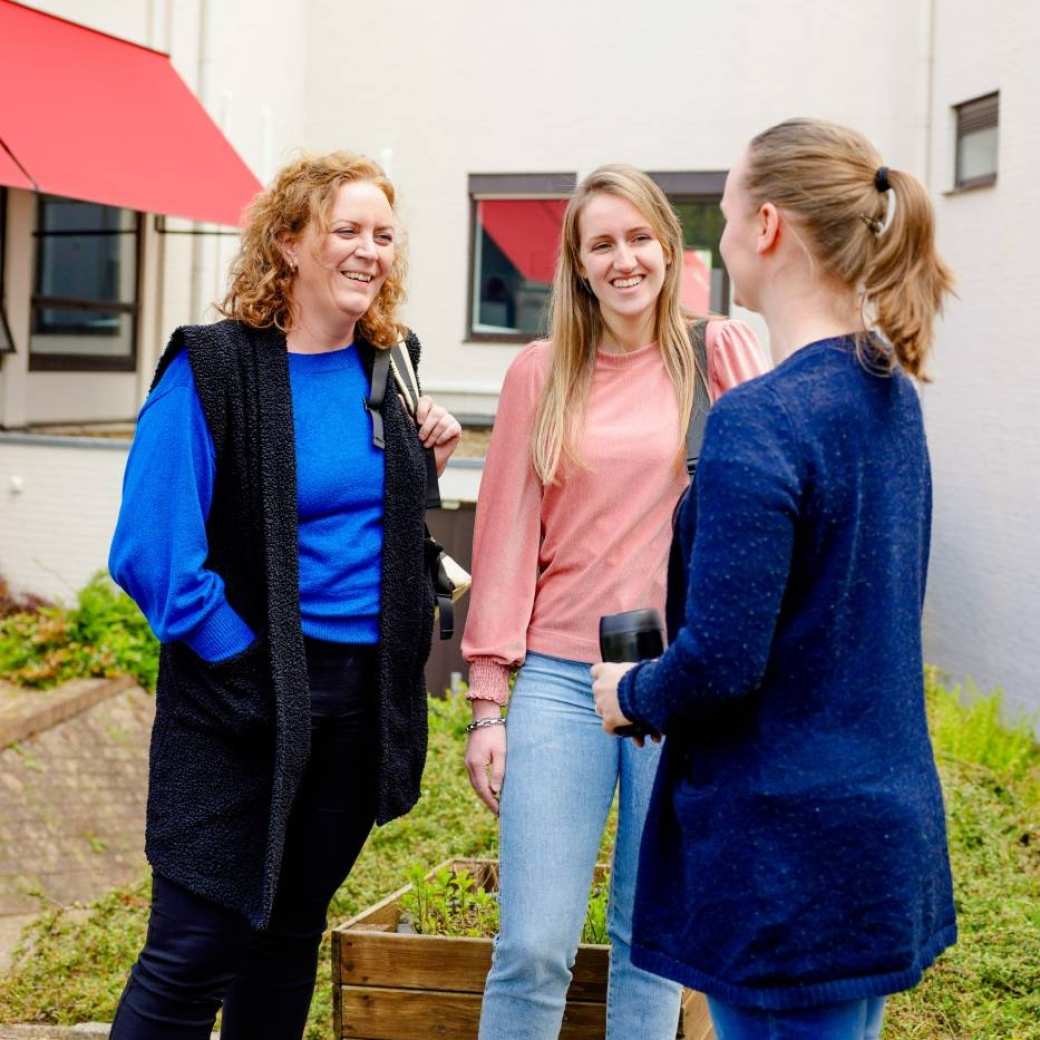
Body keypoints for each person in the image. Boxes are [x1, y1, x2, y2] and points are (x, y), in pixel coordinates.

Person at [592, 119, 958, 1040]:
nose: (711, 244)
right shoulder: (888, 393)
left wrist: (628, 692)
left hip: (781, 860)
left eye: (717, 217)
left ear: (765, 227)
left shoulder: (761, 417)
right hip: (876, 838)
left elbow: (721, 660)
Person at [107, 152, 461, 1040]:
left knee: (289, 938)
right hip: (239, 695)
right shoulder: (213, 369)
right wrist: (246, 667)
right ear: (290, 242)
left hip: (360, 700)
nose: (369, 251)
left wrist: (427, 465)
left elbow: (384, 527)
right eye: (347, 230)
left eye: (384, 235)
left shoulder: (393, 362)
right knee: (193, 952)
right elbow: (152, 551)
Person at [461, 163, 766, 1040]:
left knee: (651, 945)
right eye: (603, 244)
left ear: (670, 249)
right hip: (561, 680)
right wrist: (488, 705)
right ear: (579, 264)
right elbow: (507, 535)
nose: (624, 258)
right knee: (532, 945)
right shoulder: (541, 372)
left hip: (680, 682)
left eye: (639, 238)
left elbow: (766, 523)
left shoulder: (724, 356)